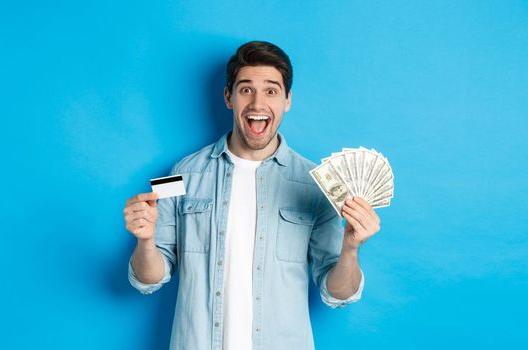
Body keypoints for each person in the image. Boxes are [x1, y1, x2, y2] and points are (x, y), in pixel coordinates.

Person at [123, 41, 382, 350]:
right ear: (228, 97)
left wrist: (351, 248)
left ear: (287, 100)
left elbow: (337, 293)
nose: (258, 103)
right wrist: (145, 240)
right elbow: (149, 279)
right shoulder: (182, 173)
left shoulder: (316, 183)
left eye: (271, 91)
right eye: (246, 89)